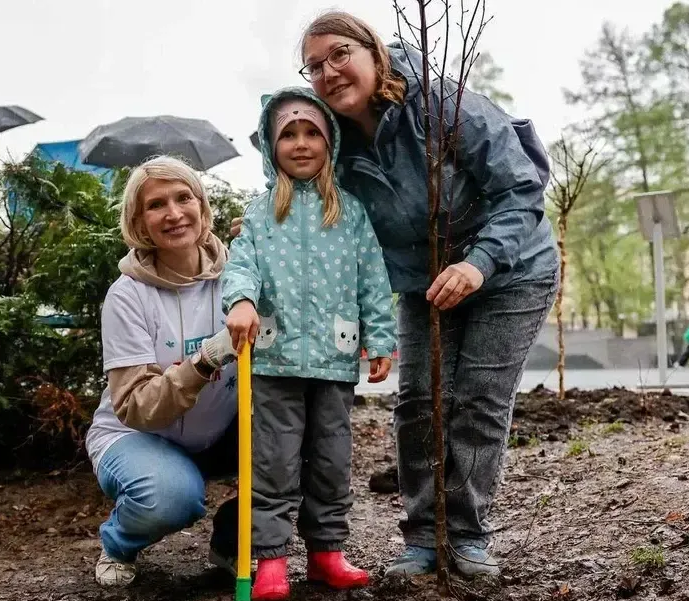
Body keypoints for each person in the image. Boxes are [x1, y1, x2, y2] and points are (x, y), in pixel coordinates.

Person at [284, 11, 558, 579]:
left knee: (479, 399)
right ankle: (423, 537)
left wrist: (479, 264)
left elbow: (520, 186)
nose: (329, 72)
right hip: (423, 280)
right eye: (314, 66)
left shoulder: (438, 104)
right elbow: (320, 222)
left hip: (512, 267)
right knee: (419, 404)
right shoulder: (335, 147)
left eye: (339, 54)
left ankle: (464, 534)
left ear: (372, 52)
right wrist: (266, 231)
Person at [222, 88, 396, 600]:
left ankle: (325, 554)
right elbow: (241, 264)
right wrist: (240, 302)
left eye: (311, 133)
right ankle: (271, 560)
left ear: (330, 140)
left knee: (331, 459)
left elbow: (372, 278)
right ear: (270, 147)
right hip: (273, 359)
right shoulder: (259, 213)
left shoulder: (350, 213)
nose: (300, 144)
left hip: (334, 358)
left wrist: (381, 336)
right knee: (273, 461)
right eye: (288, 135)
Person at [83, 155, 242, 587]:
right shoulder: (127, 295)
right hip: (137, 434)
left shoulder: (239, 277)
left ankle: (232, 542)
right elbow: (137, 406)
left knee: (302, 445)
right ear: (138, 220)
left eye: (183, 197)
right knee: (170, 497)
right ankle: (118, 544)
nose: (173, 214)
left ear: (202, 206)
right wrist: (205, 360)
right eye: (156, 205)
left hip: (218, 433)